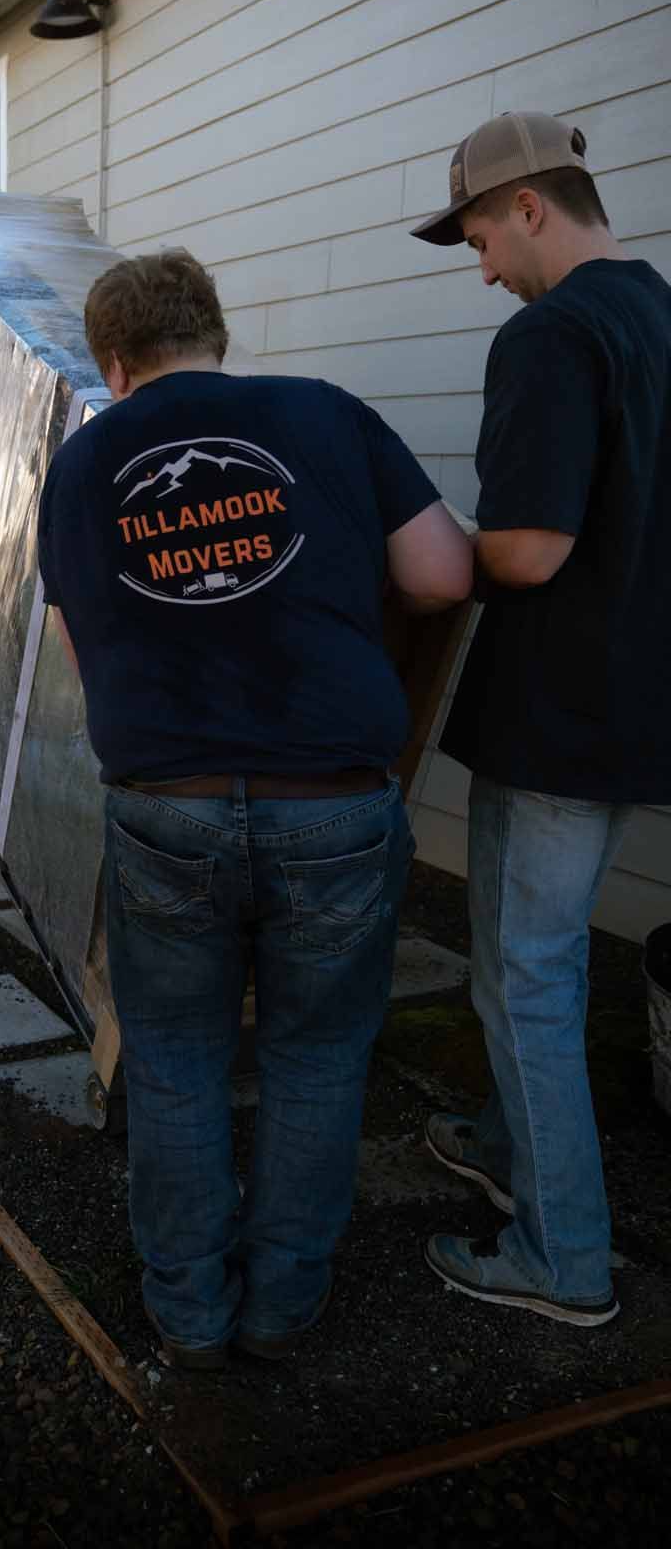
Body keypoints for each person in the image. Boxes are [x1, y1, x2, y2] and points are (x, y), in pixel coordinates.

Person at [37, 249, 471, 1367]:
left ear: (117, 363)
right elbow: (439, 578)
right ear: (214, 336)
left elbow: (83, 644)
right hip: (331, 799)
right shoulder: (326, 416)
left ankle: (187, 1310)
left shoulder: (85, 462)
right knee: (316, 1060)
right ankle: (284, 1305)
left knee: (177, 1062)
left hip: (164, 802)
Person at [410, 111, 671, 1326]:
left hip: (560, 712)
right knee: (534, 968)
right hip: (636, 711)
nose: (482, 271)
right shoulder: (660, 313)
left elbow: (524, 548)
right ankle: (512, 1152)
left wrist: (415, 548)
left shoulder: (551, 334)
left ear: (528, 204)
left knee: (529, 981)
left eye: (478, 238)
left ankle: (563, 1260)